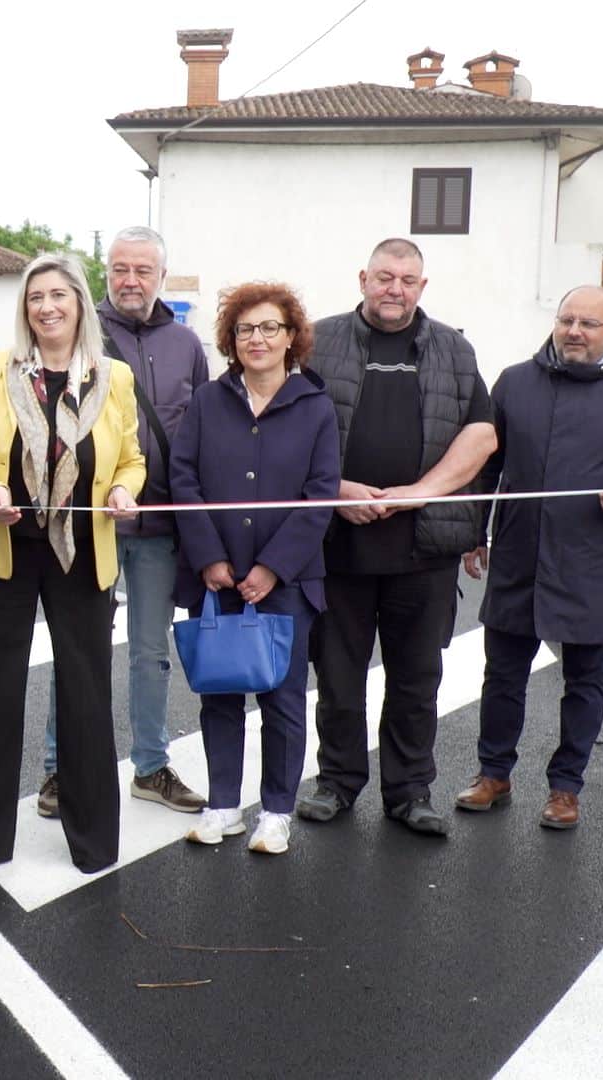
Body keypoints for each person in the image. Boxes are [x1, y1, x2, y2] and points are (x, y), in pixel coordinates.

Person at [0, 252, 144, 877]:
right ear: (24, 309)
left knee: (86, 691)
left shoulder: (113, 377)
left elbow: (132, 460)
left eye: (60, 295)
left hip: (82, 550)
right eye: (36, 298)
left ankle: (93, 842)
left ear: (80, 304)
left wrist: (121, 492)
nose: (47, 306)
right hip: (7, 546)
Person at [454, 286, 603, 830]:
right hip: (521, 555)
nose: (575, 331)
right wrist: (473, 531)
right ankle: (494, 775)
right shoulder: (515, 382)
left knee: (584, 682)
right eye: (566, 320)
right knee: (502, 676)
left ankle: (565, 788)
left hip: (594, 559)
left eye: (588, 323)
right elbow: (488, 464)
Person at [296, 237, 496, 836]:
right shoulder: (316, 342)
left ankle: (410, 792)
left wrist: (420, 492)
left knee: (415, 680)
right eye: (385, 277)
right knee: (337, 677)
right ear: (363, 279)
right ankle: (336, 782)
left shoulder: (455, 352)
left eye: (408, 280)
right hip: (336, 545)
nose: (395, 289)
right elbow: (284, 430)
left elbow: (481, 437)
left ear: (422, 287)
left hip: (423, 547)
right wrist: (338, 490)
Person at [38, 226, 209, 819]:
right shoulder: (80, 334)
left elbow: (204, 427)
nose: (130, 280)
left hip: (159, 524)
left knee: (149, 653)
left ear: (162, 276)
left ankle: (150, 765)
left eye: (142, 270)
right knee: (77, 649)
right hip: (90, 525)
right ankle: (59, 771)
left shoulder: (187, 344)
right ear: (104, 273)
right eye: (119, 269)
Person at [173, 283, 338, 854]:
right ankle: (223, 807)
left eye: (270, 328)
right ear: (231, 340)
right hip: (214, 577)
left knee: (284, 697)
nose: (257, 339)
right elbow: (183, 480)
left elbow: (320, 497)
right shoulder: (206, 401)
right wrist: (210, 559)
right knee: (219, 693)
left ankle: (275, 812)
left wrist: (273, 567)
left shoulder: (316, 406)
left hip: (286, 581)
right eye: (246, 329)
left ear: (291, 337)